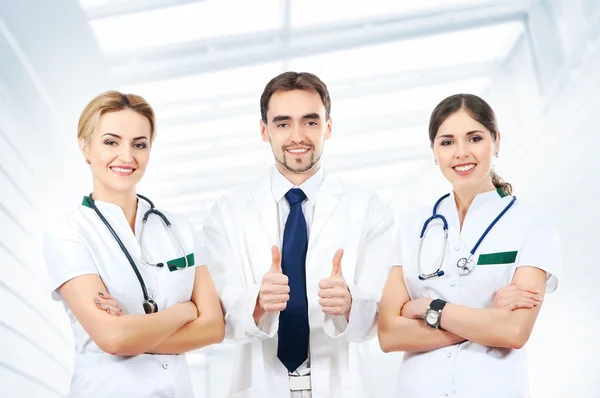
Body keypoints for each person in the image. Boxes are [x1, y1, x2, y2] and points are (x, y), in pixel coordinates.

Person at [202, 72, 398, 398]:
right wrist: (257, 303)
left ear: (328, 127)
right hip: (259, 385)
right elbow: (218, 320)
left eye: (310, 122)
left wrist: (351, 304)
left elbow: (382, 319)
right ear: (264, 131)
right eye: (282, 123)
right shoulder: (227, 213)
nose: (297, 136)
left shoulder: (371, 210)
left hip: (342, 385)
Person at [378, 93, 561, 398]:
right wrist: (486, 316)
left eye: (474, 138)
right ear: (434, 152)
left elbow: (513, 332)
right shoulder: (411, 228)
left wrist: (426, 307)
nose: (461, 153)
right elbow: (388, 334)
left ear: (497, 141)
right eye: (447, 142)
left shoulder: (533, 226)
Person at [43, 90, 224, 398]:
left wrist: (132, 333)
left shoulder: (178, 228)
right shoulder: (68, 234)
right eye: (111, 142)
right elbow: (113, 338)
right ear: (84, 146)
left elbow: (214, 328)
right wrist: (184, 311)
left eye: (139, 144)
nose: (127, 157)